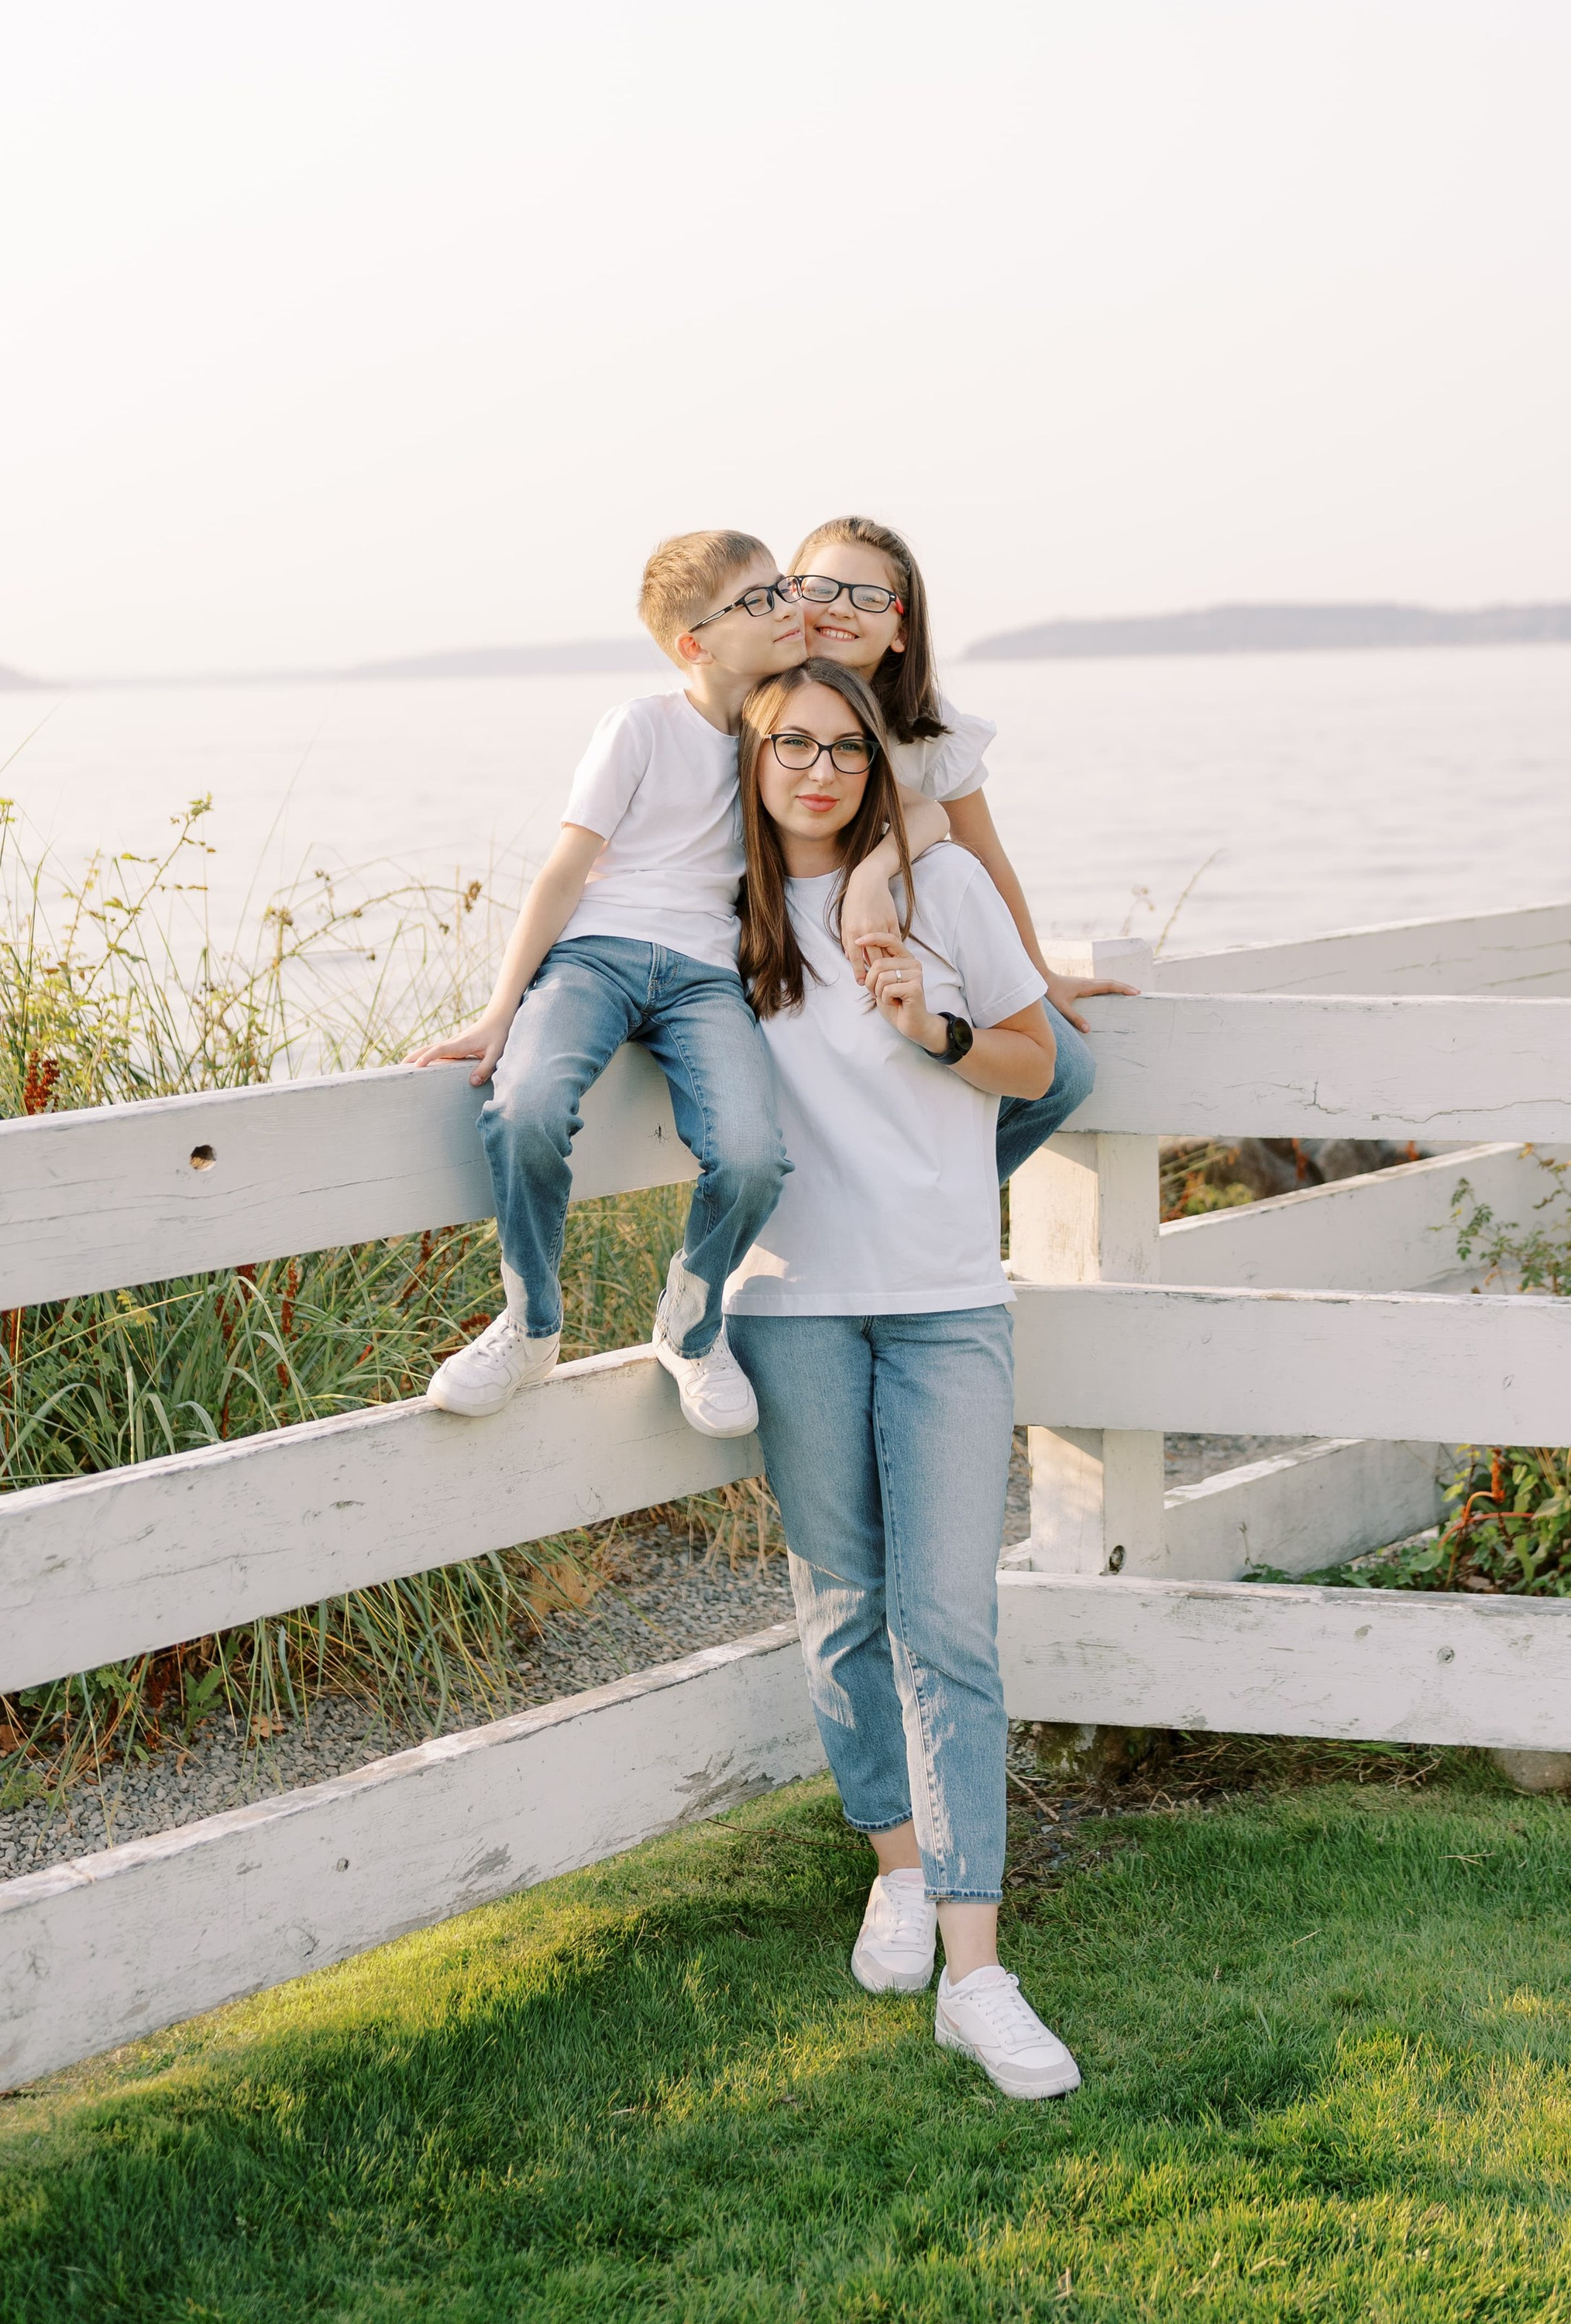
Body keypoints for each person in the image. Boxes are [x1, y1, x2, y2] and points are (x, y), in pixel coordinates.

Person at [724, 655, 1083, 2100]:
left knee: (950, 1622)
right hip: (793, 1307)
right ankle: (894, 1860)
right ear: (749, 763)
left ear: (882, 764)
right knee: (839, 1607)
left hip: (942, 1304)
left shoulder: (946, 894)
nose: (819, 770)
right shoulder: (717, 915)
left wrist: (925, 1025)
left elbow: (1039, 1057)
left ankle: (978, 1973)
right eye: (789, 746)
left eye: (848, 750)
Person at [407, 530, 944, 1438]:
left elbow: (918, 805)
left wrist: (865, 878)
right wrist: (503, 1009)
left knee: (750, 1156)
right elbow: (564, 871)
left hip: (704, 978)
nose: (789, 611)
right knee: (525, 1106)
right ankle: (530, 1323)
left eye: (781, 591)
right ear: (694, 643)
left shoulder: (776, 735)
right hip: (595, 955)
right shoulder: (640, 725)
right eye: (759, 602)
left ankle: (690, 1327)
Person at [782, 513, 1135, 1179]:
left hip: (911, 950)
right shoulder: (762, 708)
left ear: (902, 630)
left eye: (869, 597)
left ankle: (944, 1206)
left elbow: (981, 850)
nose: (839, 609)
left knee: (1065, 1073)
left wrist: (1035, 973)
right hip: (793, 947)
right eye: (820, 587)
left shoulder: (928, 732)